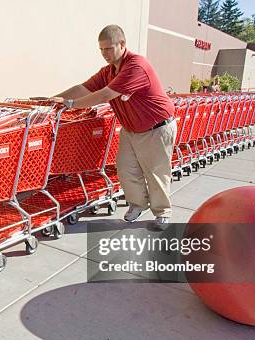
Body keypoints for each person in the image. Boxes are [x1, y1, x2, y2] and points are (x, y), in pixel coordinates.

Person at [50, 25, 176, 230]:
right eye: (101, 50)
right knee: (127, 170)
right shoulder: (108, 71)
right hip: (131, 128)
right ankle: (138, 205)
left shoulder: (136, 66)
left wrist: (72, 104)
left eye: (108, 49)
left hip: (156, 127)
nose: (104, 54)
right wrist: (57, 98)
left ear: (122, 44)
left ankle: (162, 212)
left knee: (155, 172)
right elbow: (83, 88)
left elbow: (105, 95)